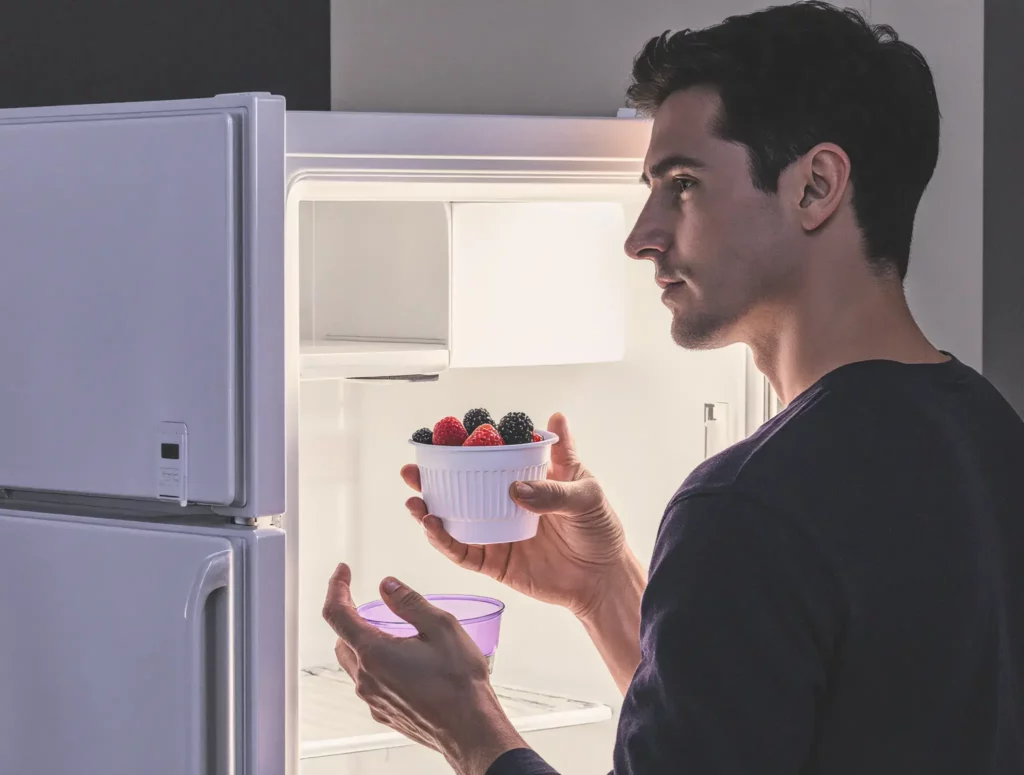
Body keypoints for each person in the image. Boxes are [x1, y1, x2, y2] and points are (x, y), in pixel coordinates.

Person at [321, 2, 1024, 773]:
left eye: (682, 184)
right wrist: (604, 591)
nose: (641, 235)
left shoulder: (749, 507)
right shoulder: (991, 432)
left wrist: (471, 729)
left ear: (815, 186)